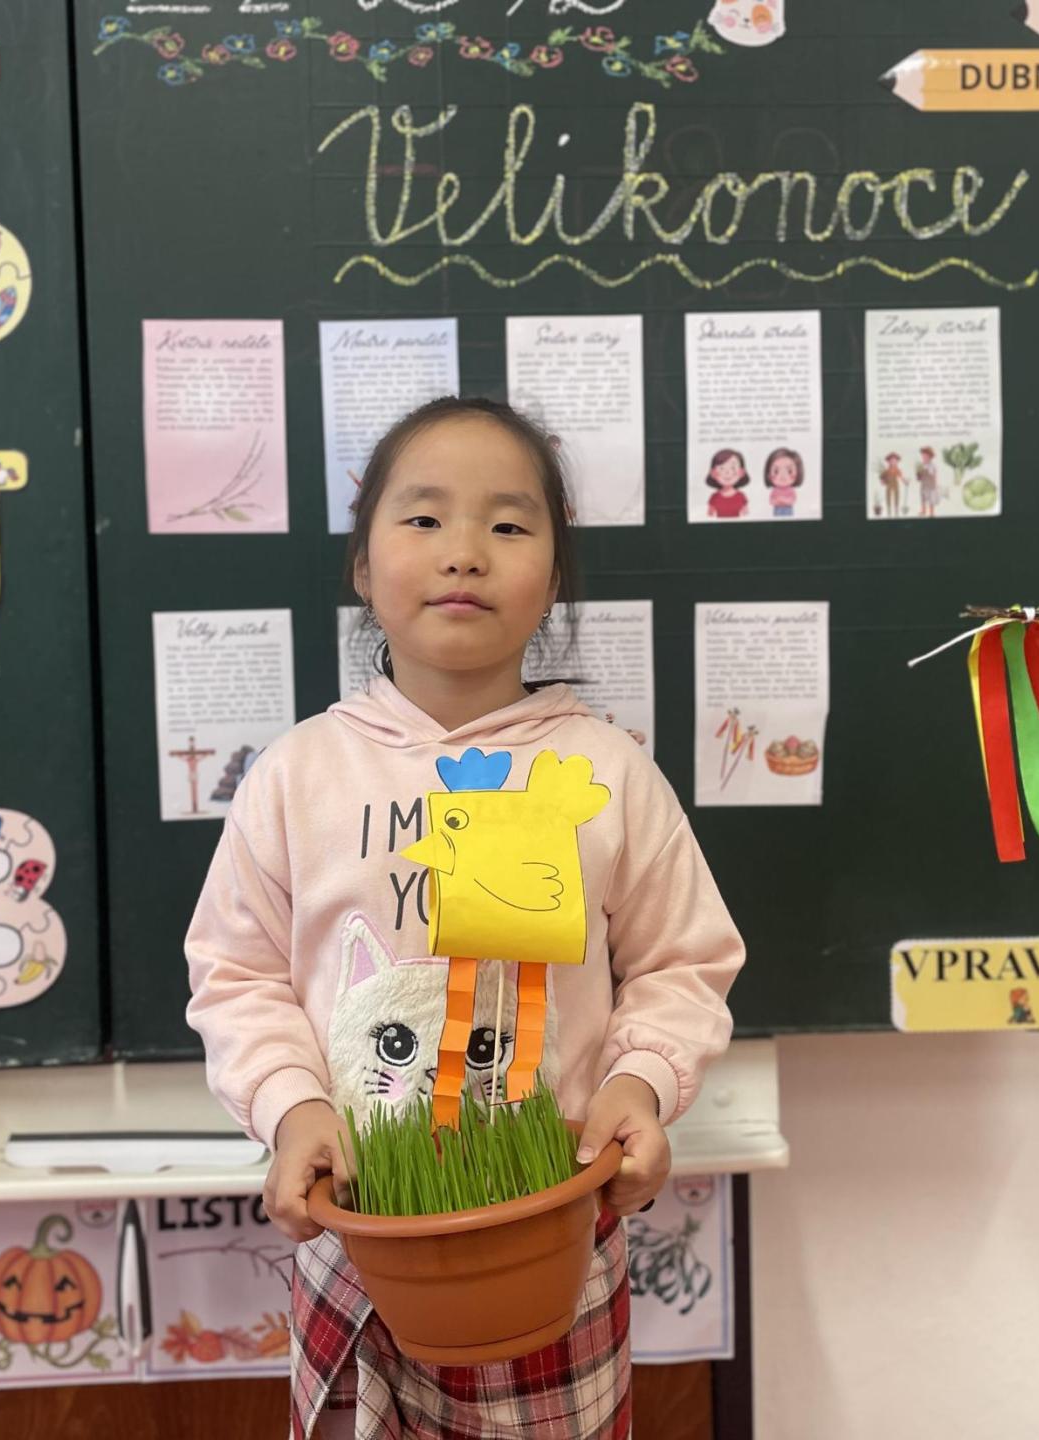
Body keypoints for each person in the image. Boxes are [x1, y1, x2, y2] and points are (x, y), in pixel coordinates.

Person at [185, 396, 744, 1439]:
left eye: (510, 524)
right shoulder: (300, 776)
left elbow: (683, 961)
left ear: (554, 577)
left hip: (553, 1239)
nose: (465, 553)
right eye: (425, 518)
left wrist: (639, 1083)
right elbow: (237, 973)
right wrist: (290, 1107)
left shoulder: (605, 772)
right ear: (363, 567)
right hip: (354, 1244)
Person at [704, 447, 750, 518]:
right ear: (713, 473)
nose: (727, 473)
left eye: (733, 468)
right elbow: (709, 516)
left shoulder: (741, 496)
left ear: (741, 472)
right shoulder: (714, 497)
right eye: (722, 468)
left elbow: (746, 515)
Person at [765, 447, 803, 517]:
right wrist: (777, 501)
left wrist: (783, 500)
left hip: (788, 510)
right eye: (776, 471)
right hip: (777, 510)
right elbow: (771, 501)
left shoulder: (791, 490)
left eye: (789, 471)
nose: (783, 476)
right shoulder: (775, 490)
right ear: (768, 475)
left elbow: (793, 500)